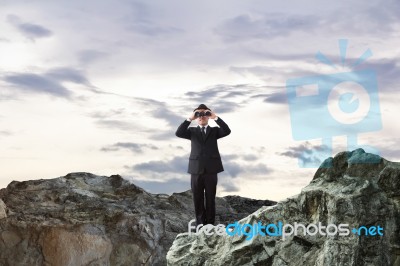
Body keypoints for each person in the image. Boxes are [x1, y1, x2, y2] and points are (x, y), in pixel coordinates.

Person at [175, 104, 231, 226]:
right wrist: (190, 119)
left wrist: (215, 117)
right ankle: (200, 225)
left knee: (210, 198)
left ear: (208, 116)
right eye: (198, 114)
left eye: (204, 114)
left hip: (211, 169)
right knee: (197, 198)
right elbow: (178, 133)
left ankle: (210, 224)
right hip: (196, 169)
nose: (201, 116)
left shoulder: (214, 131)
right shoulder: (191, 131)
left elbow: (227, 131)